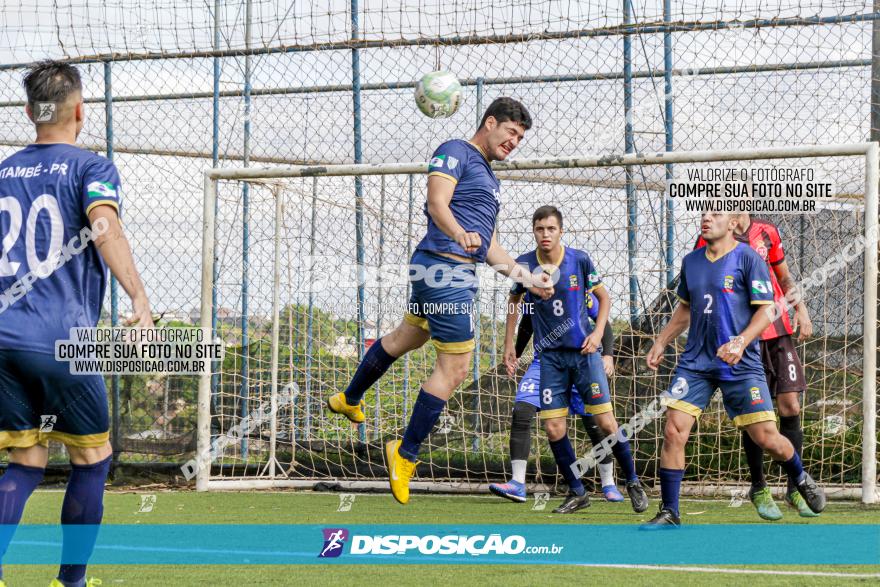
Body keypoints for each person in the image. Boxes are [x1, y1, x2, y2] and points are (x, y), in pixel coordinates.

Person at [326, 98, 551, 504]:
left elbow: (491, 248)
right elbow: (437, 204)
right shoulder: (454, 151)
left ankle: (349, 398)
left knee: (405, 338)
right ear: (490, 123)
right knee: (456, 367)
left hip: (450, 272)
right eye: (511, 132)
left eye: (520, 137)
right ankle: (405, 455)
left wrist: (528, 279)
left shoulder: (489, 177)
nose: (514, 141)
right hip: (446, 271)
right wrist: (459, 233)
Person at [0, 60, 153, 587]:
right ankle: (71, 581)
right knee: (91, 458)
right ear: (80, 111)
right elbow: (105, 227)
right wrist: (138, 295)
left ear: (29, 112)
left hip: (3, 340)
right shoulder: (91, 167)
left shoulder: (2, 174)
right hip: (62, 339)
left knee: (25, 456)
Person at [643, 212, 825, 527]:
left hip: (741, 363)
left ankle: (800, 476)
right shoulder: (691, 262)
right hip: (696, 363)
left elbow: (767, 311)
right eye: (704, 212)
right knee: (673, 429)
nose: (706, 217)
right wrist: (661, 341)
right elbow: (685, 309)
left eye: (716, 213)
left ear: (732, 223)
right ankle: (670, 511)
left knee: (767, 437)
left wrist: (740, 342)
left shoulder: (748, 259)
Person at [505, 205, 648, 514]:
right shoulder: (524, 264)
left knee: (605, 423)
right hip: (551, 360)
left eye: (551, 229)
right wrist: (509, 344)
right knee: (554, 428)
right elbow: (514, 300)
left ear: (560, 231)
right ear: (534, 231)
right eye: (540, 228)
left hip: (585, 356)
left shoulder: (579, 260)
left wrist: (598, 336)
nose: (545, 234)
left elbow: (604, 298)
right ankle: (577, 491)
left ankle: (633, 482)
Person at [694, 213, 816, 519]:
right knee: (754, 413)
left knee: (790, 405)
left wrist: (800, 309)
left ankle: (794, 488)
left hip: (777, 330)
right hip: (743, 338)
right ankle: (759, 486)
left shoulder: (767, 232)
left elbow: (784, 276)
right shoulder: (711, 236)